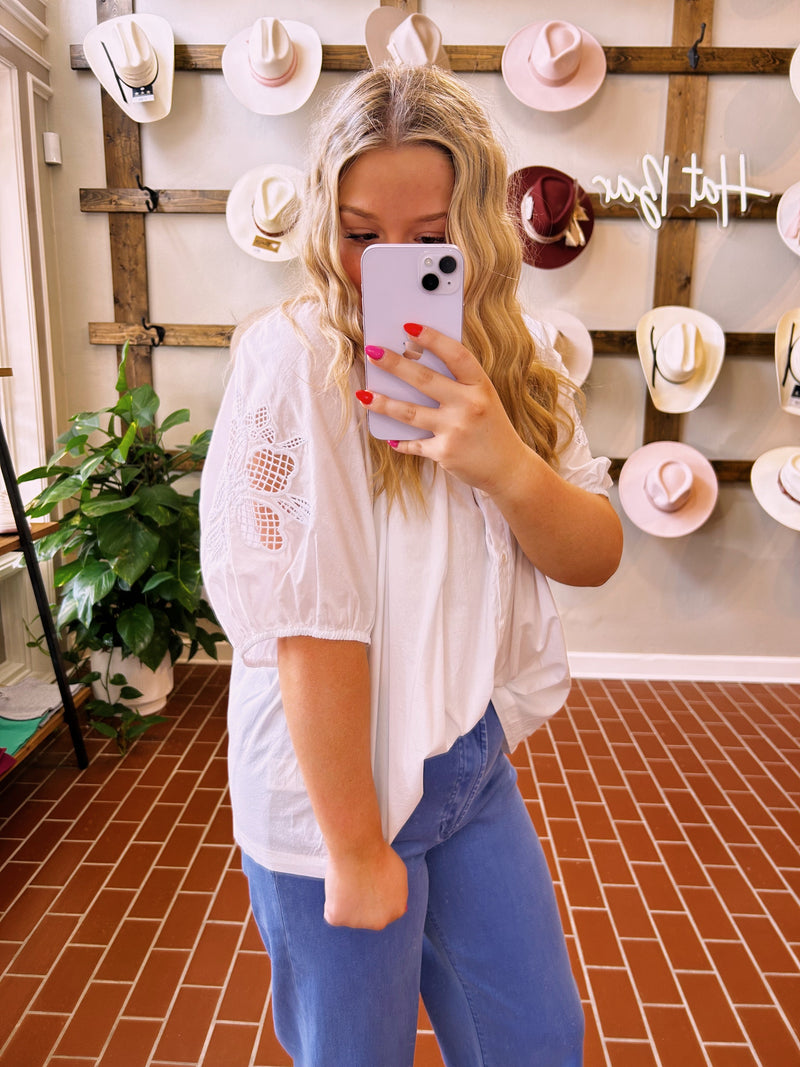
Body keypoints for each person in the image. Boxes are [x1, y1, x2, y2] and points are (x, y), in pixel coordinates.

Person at [200, 63, 623, 1067]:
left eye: (428, 240)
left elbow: (595, 551)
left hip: (467, 767)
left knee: (537, 1041)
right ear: (324, 222)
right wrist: (354, 847)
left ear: (474, 228)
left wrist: (504, 462)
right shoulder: (293, 362)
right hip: (330, 787)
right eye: (360, 235)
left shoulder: (514, 356)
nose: (387, 268)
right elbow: (308, 621)